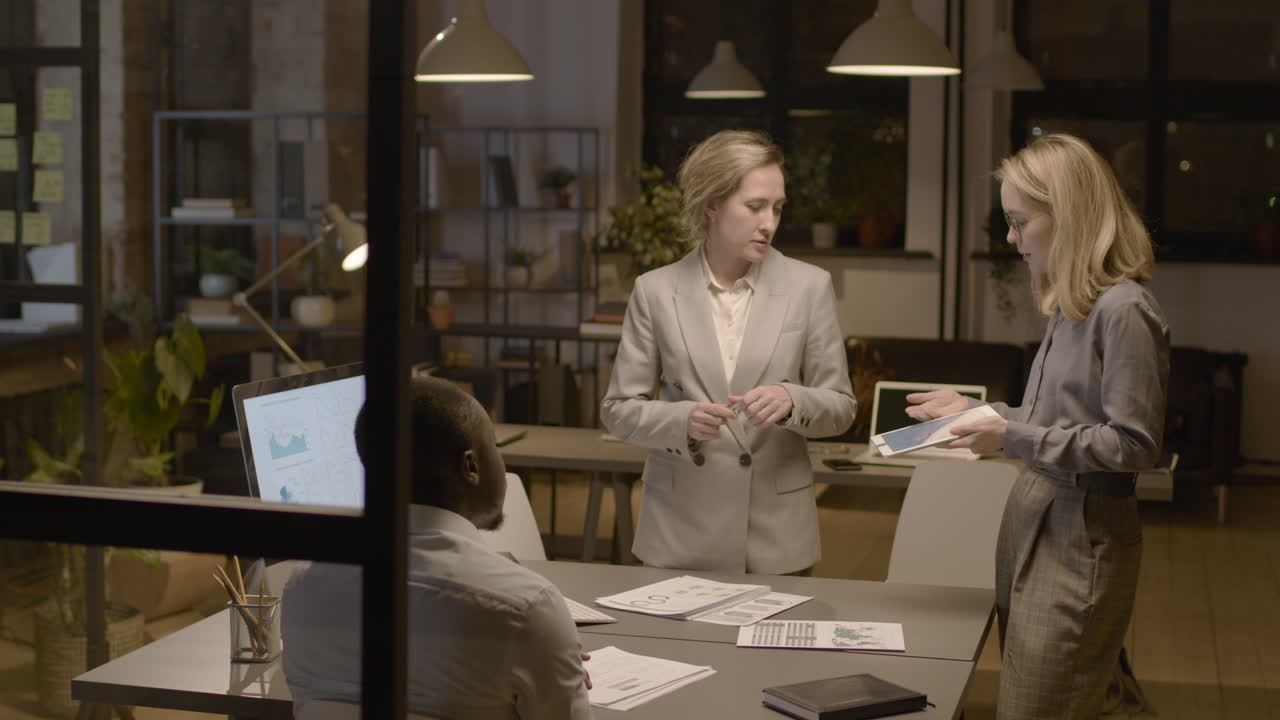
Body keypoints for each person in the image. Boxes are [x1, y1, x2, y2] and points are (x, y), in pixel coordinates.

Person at [906, 133, 1168, 719]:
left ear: (1068, 216)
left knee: (1044, 701)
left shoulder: (1123, 310)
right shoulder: (1070, 300)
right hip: (1036, 512)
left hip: (1082, 529)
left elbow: (1133, 444)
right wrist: (984, 413)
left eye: (1019, 221)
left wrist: (1011, 435)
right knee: (1068, 691)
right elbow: (1057, 422)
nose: (1009, 238)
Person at [600, 129, 856, 575]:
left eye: (777, 207)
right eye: (755, 206)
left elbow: (841, 408)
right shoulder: (655, 291)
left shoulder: (809, 286)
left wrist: (793, 400)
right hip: (680, 530)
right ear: (712, 204)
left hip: (777, 538)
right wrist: (682, 421)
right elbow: (618, 409)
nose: (770, 223)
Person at [281, 375, 592, 719]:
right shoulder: (527, 606)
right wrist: (549, 664)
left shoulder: (303, 589)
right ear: (471, 466)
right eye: (496, 449)